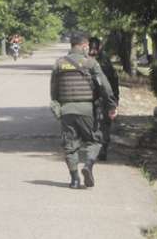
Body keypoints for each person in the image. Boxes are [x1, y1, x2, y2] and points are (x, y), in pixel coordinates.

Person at [50, 33, 117, 189]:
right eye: (87, 46)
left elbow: (54, 90)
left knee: (70, 146)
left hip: (66, 110)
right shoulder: (91, 63)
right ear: (83, 46)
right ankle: (88, 165)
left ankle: (74, 180)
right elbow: (105, 87)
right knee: (95, 140)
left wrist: (58, 106)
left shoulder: (59, 63)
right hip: (87, 109)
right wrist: (111, 106)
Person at [89, 37, 119, 161]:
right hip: (96, 98)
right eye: (92, 48)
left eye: (95, 48)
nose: (93, 50)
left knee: (103, 124)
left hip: (101, 98)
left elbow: (112, 81)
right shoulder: (99, 61)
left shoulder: (103, 62)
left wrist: (115, 101)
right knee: (98, 124)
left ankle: (102, 149)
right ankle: (98, 148)